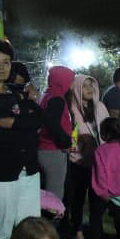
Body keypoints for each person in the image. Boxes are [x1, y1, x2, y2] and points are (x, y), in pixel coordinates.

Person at [0, 39, 44, 239]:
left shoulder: (14, 93)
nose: (1, 67)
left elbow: (39, 119)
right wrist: (25, 122)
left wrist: (17, 123)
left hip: (26, 171)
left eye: (6, 62)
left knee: (28, 232)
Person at [65, 75, 109, 239]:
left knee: (97, 202)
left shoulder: (100, 108)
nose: (90, 89)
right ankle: (77, 230)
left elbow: (108, 131)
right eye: (85, 86)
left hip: (99, 165)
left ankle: (95, 236)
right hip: (78, 163)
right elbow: (71, 136)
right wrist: (75, 147)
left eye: (92, 85)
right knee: (77, 199)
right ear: (76, 88)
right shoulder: (71, 109)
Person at [37, 65, 75, 200]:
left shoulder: (46, 95)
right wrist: (65, 142)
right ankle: (51, 218)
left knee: (44, 189)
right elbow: (52, 124)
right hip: (52, 149)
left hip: (42, 147)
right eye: (71, 81)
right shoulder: (56, 98)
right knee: (54, 191)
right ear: (63, 81)